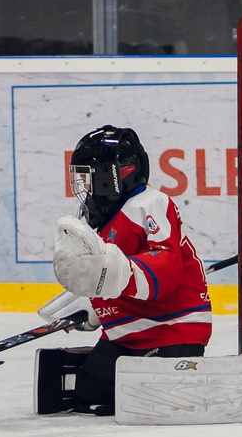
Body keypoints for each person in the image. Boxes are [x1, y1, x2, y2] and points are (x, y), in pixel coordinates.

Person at [47, 124, 211, 412]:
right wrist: (97, 305)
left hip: (171, 331)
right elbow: (111, 275)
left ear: (114, 176)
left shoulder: (148, 204)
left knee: (148, 403)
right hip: (126, 335)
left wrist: (114, 277)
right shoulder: (98, 219)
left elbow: (166, 268)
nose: (85, 185)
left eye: (90, 175)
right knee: (88, 398)